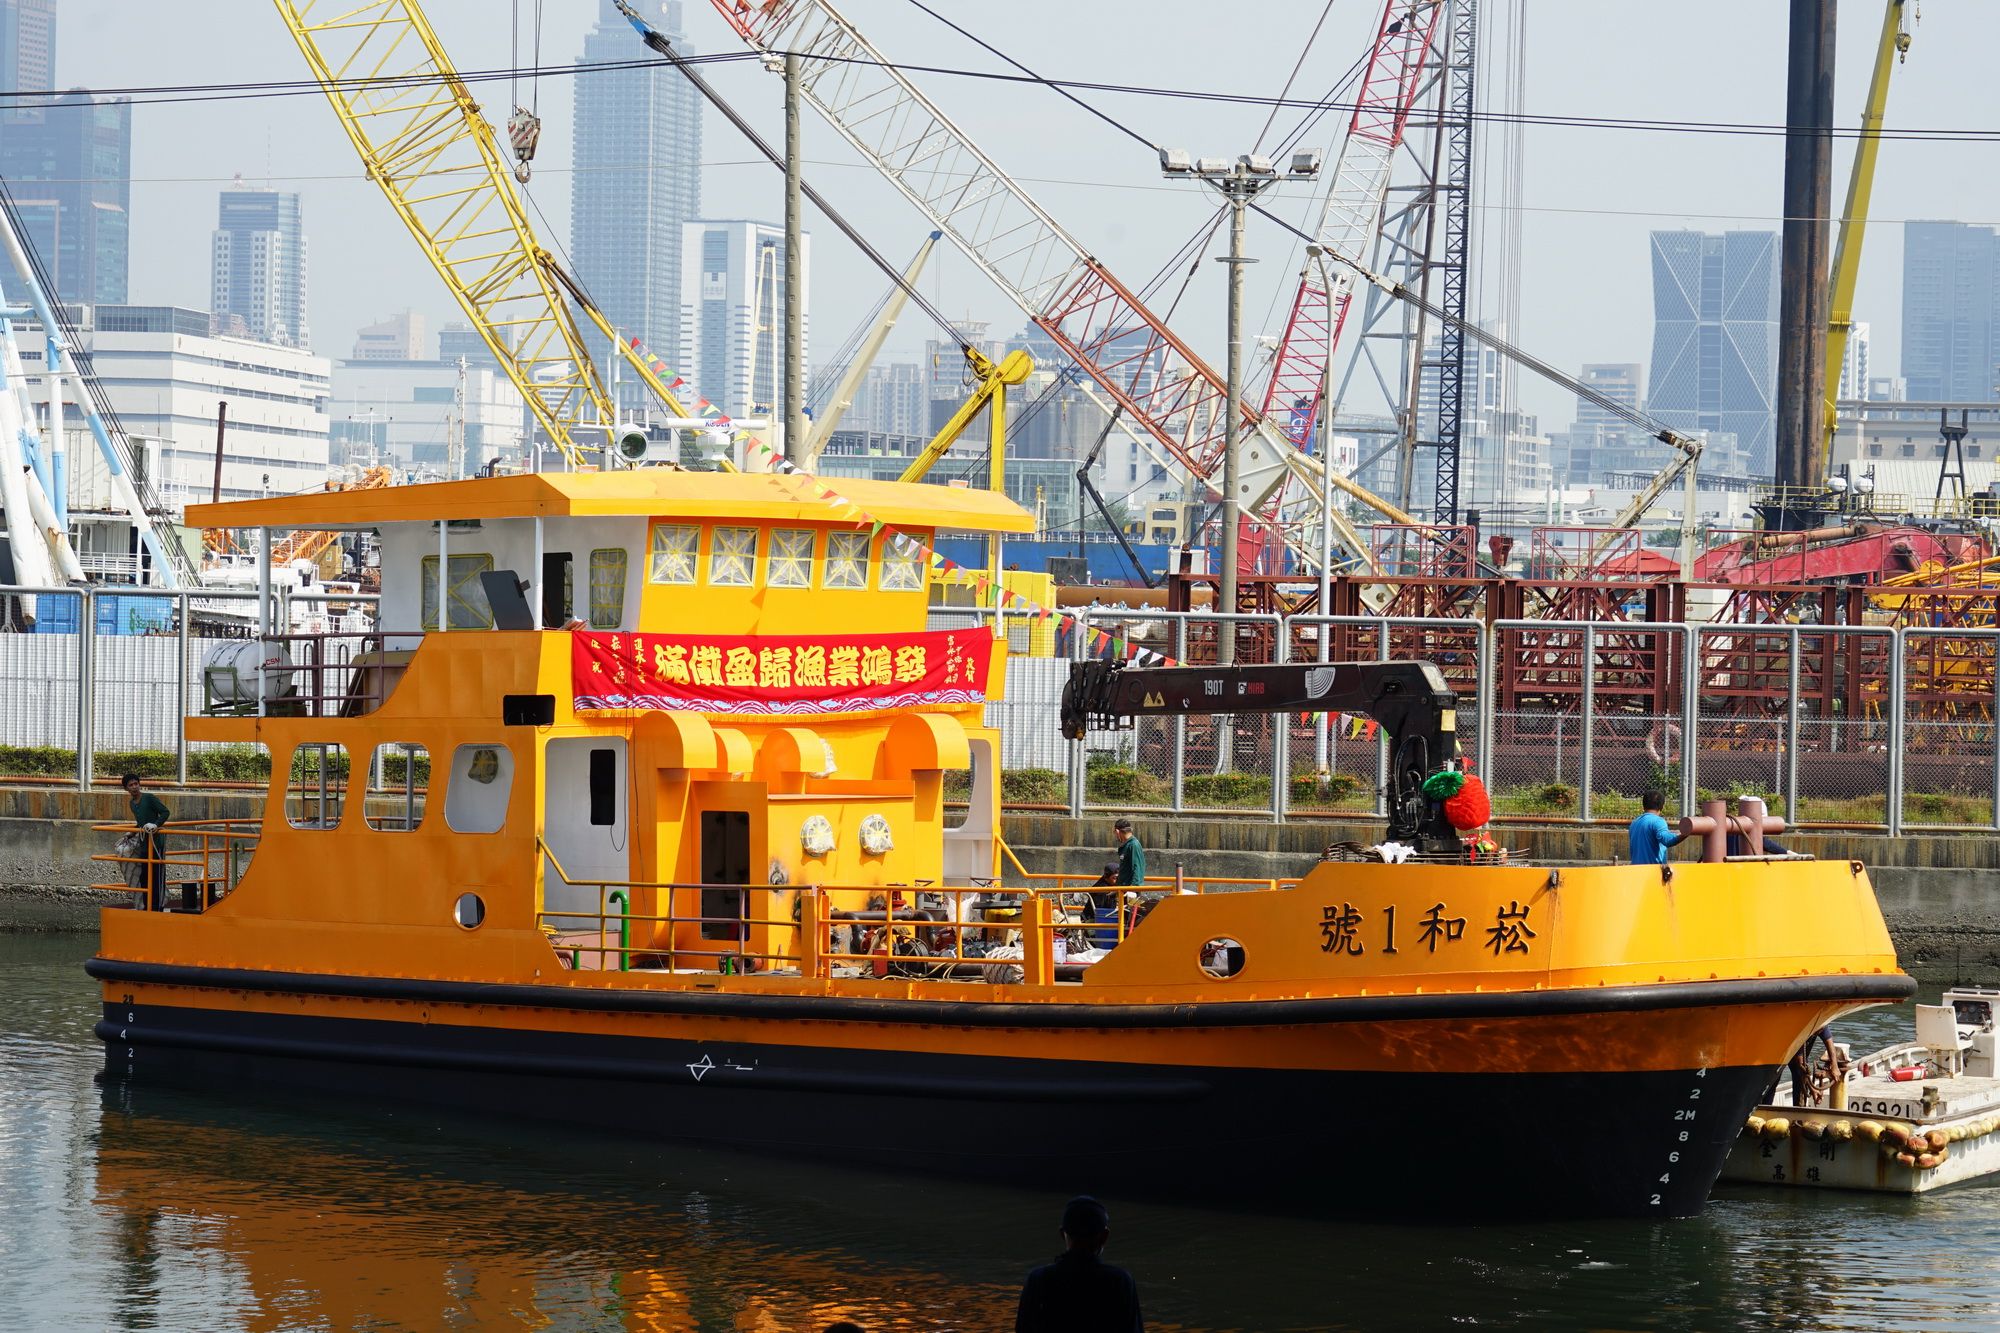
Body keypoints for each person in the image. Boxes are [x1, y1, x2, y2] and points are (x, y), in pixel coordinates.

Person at [1016, 1196, 1143, 1333]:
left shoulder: (1038, 1278)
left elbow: (1023, 1328)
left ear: (1062, 1234)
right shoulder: (1120, 1281)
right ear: (1104, 1236)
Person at [123, 773, 172, 909]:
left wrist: (156, 824)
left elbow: (165, 812)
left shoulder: (149, 798)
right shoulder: (132, 804)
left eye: (136, 784)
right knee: (144, 875)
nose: (134, 787)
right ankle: (147, 904)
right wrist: (131, 832)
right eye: (131, 785)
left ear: (139, 784)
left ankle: (157, 905)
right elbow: (140, 823)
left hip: (156, 843)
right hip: (144, 844)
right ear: (126, 789)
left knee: (156, 875)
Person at [1627, 790, 1684, 865]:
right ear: (1662, 806)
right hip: (1652, 872)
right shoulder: (1658, 821)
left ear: (1643, 805)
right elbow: (1668, 840)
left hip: (1636, 871)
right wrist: (1687, 832)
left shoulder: (1634, 823)